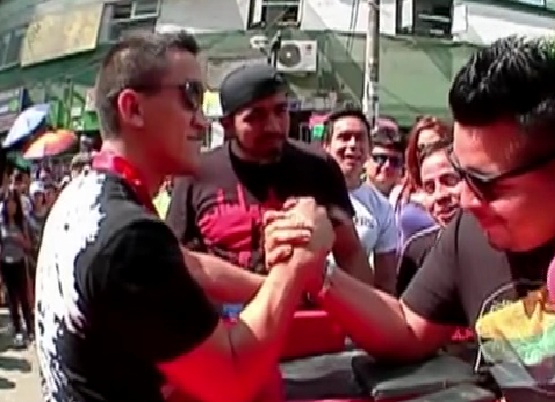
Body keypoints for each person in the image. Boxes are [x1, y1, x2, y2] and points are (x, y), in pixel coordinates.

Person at [268, 37, 555, 401]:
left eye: (484, 183)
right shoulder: (474, 228)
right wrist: (317, 271)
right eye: (459, 173)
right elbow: (409, 327)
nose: (464, 199)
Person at [34, 30, 334, 402]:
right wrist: (300, 258)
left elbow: (193, 265)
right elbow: (233, 378)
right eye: (190, 96)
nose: (203, 122)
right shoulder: (127, 237)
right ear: (133, 109)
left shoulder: (84, 194)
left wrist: (288, 288)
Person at [166, 62, 373, 299]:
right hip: (224, 317)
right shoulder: (197, 174)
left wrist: (367, 313)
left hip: (305, 316)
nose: (273, 126)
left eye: (280, 111)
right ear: (228, 126)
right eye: (255, 117)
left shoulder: (318, 168)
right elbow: (176, 261)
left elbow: (350, 253)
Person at [322, 109, 400, 293]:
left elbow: (386, 281)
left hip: (355, 301)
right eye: (344, 137)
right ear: (326, 146)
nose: (352, 145)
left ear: (369, 149)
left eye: (359, 138)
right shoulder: (305, 194)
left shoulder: (382, 207)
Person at [396, 140, 460, 295]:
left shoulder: (502, 245)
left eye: (449, 181)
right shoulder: (416, 251)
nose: (439, 195)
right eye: (430, 188)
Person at [391, 116, 452, 245]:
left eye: (435, 145)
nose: (427, 151)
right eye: (421, 147)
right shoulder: (401, 191)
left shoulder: (454, 190)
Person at [0, 189, 32, 348]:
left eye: (13, 202)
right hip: (6, 264)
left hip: (19, 262)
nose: (11, 206)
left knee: (24, 297)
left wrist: (19, 239)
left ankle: (30, 328)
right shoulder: (1, 223)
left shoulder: (22, 222)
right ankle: (18, 330)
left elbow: (28, 245)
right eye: (8, 203)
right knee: (12, 299)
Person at [365, 127, 404, 198]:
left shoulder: (408, 202)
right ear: (365, 160)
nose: (387, 165)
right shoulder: (349, 197)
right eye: (380, 158)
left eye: (394, 161)